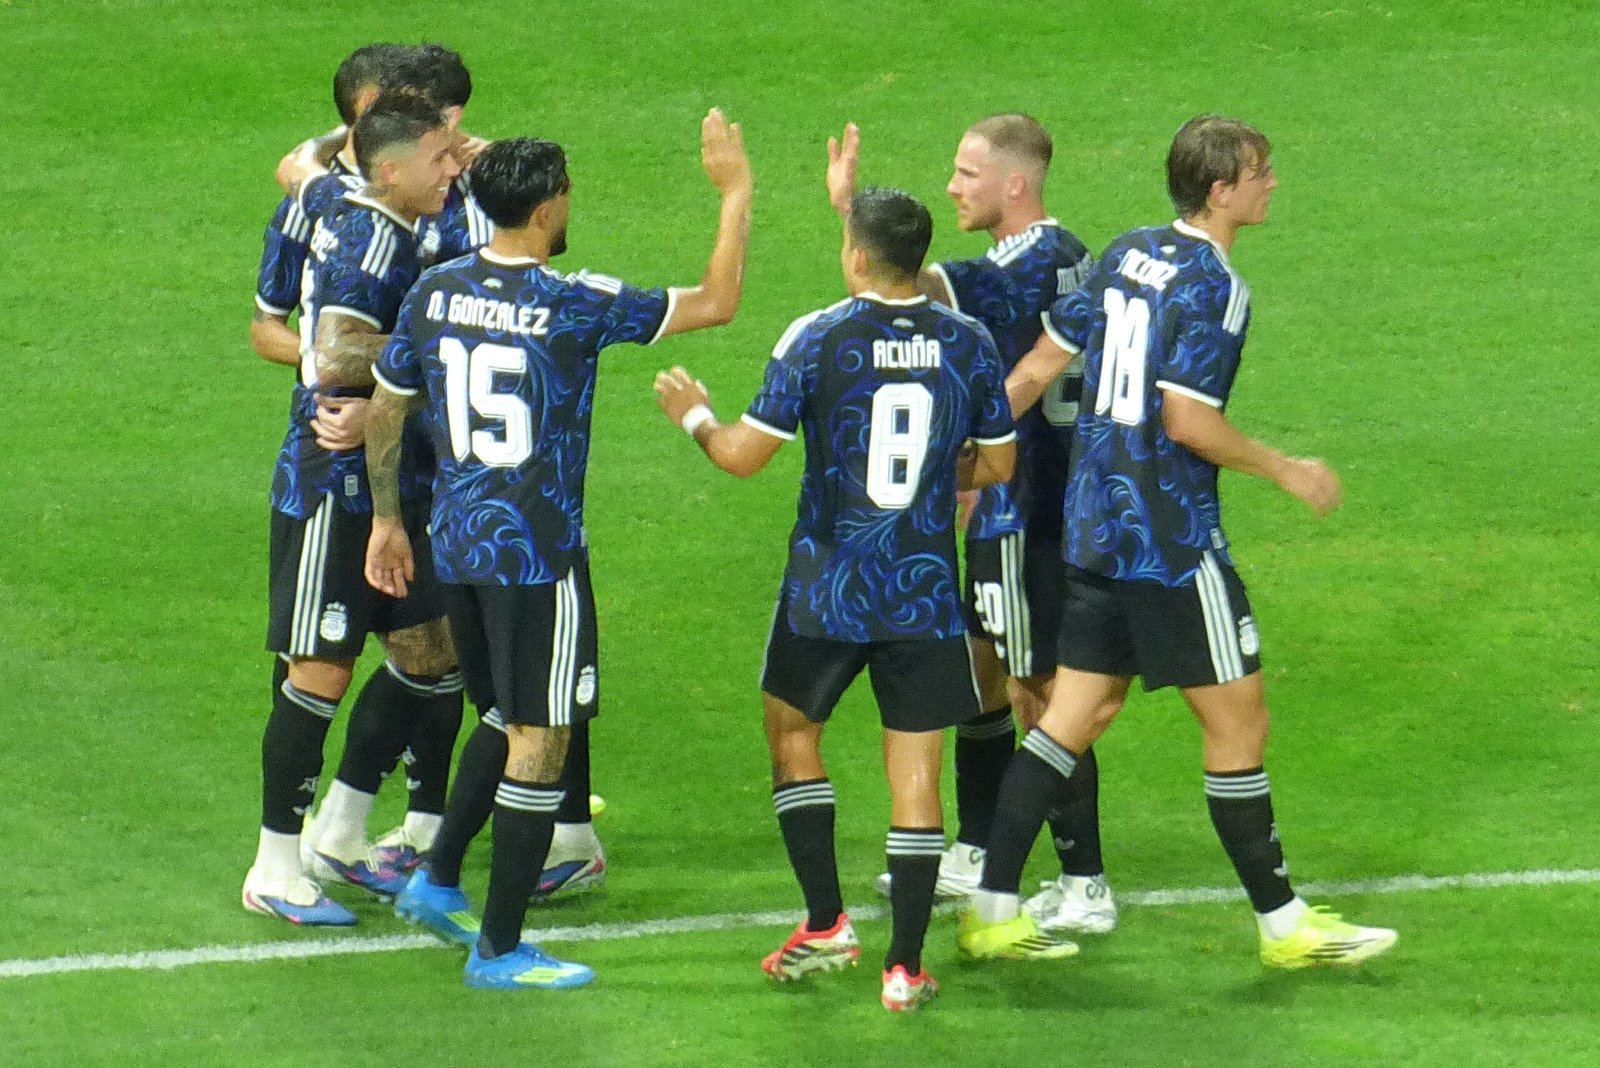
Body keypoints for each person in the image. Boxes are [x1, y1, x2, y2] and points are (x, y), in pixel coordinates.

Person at [958, 114, 1398, 969]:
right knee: (1239, 726)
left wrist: (965, 453)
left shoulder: (1126, 251)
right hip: (1168, 540)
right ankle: (1284, 927)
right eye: (1261, 172)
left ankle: (992, 910)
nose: (1273, 183)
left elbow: (1040, 365)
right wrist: (1288, 470)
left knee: (1067, 721)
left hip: (1091, 530)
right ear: (1220, 189)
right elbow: (1188, 419)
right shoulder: (1218, 287)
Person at [364, 111, 754, 989]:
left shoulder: (434, 289)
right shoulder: (574, 301)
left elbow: (387, 406)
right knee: (541, 735)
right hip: (537, 559)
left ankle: (434, 881)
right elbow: (717, 302)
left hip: (455, 544)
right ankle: (499, 948)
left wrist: (389, 520)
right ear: (547, 207)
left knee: (499, 717)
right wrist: (735, 193)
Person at [653, 186, 1019, 1012]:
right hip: (923, 594)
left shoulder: (817, 336)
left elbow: (744, 457)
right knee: (915, 774)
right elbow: (998, 466)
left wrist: (695, 414)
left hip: (828, 589)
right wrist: (934, 478)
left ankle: (825, 922)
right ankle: (904, 968)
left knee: (792, 734)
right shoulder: (969, 342)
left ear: (855, 255)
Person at [829, 117, 1115, 934]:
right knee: (988, 672)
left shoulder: (1022, 269)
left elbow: (888, 295)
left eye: (966, 174)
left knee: (1038, 696)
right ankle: (980, 847)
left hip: (1025, 511)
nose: (952, 187)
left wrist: (850, 208)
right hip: (1022, 503)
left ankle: (1084, 879)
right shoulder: (1069, 256)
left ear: (1014, 185)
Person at [244, 93, 463, 925]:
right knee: (320, 670)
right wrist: (443, 346)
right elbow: (335, 348)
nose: (454, 169)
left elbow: (299, 163)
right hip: (330, 489)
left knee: (431, 650)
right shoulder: (375, 237)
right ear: (393, 169)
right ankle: (274, 864)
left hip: (390, 480)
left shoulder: (348, 202)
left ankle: (337, 833)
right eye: (440, 158)